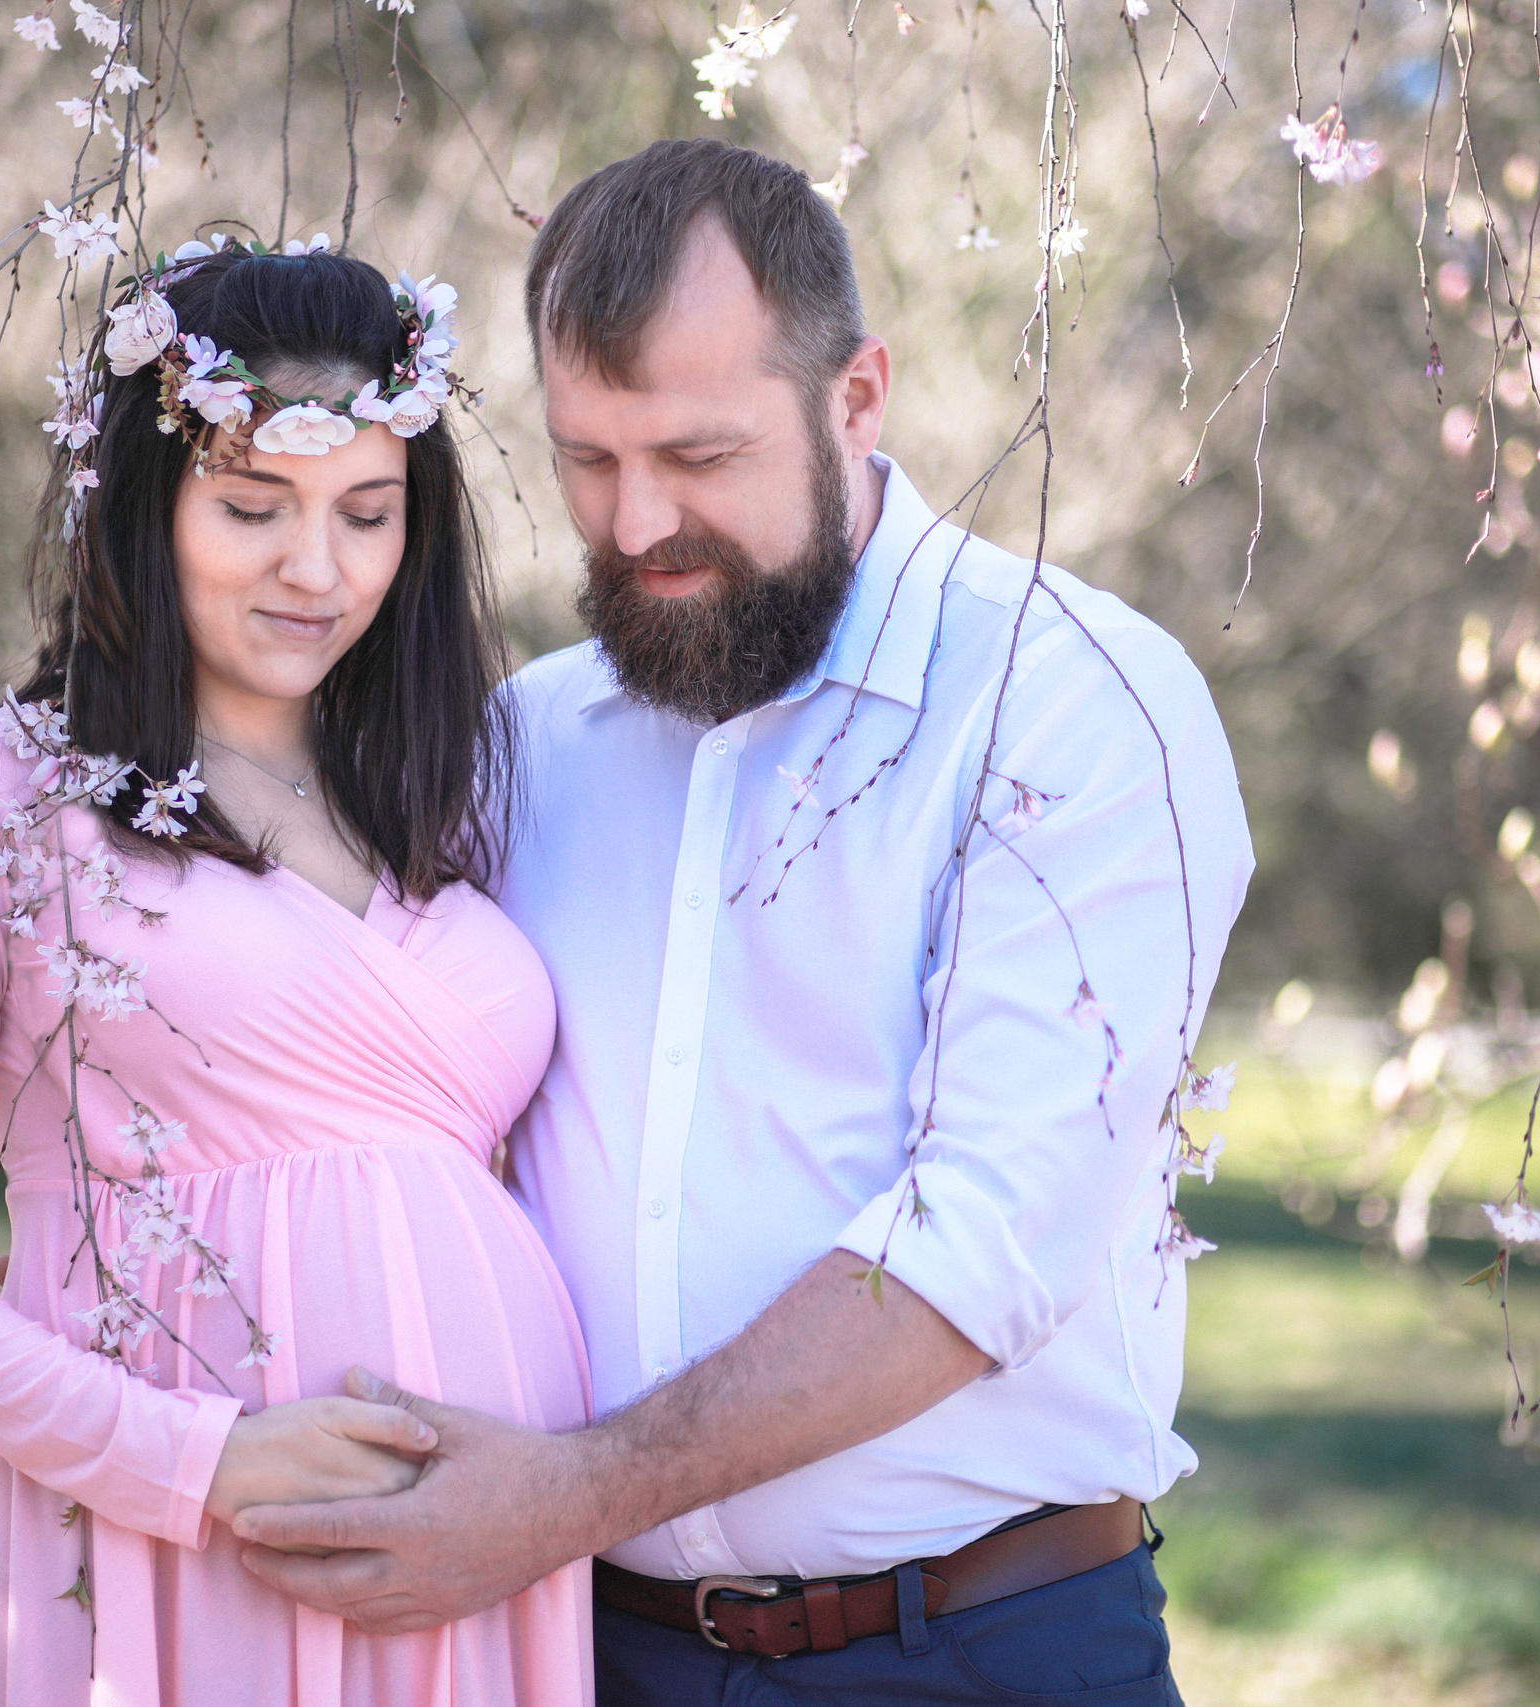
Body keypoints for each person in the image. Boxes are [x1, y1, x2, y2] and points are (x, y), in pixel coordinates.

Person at [231, 140, 1254, 1704]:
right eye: (588, 459)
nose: (639, 525)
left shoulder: (1067, 704)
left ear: (856, 398)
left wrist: (559, 1497)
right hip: (589, 1649)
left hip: (974, 1650)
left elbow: (980, 1249)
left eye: (699, 455)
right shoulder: (531, 739)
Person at [0, 239, 594, 1705]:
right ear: (142, 508)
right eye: (252, 508)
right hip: (168, 1551)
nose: (319, 569)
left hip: (482, 1574)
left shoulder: (443, 808)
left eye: (370, 515)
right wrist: (207, 1462)